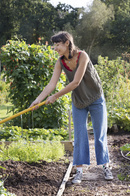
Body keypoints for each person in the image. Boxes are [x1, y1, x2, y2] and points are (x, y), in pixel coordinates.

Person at [29, 31, 113, 184]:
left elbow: (76, 82)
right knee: (79, 135)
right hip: (79, 101)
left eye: (57, 44)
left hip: (95, 98)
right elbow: (51, 84)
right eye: (54, 45)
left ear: (67, 43)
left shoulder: (83, 56)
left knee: (99, 134)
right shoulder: (60, 62)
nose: (55, 48)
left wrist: (56, 96)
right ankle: (79, 171)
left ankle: (106, 166)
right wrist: (37, 100)